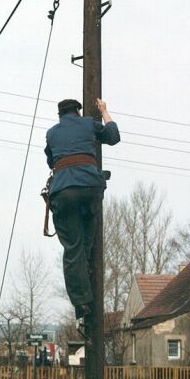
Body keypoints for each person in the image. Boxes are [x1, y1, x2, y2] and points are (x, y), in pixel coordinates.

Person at [45, 97, 120, 320]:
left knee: (73, 248)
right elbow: (113, 136)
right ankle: (87, 287)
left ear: (60, 116)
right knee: (86, 242)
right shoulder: (88, 123)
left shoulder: (51, 133)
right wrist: (104, 111)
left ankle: (81, 302)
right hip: (90, 189)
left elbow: (51, 162)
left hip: (64, 193)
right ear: (78, 112)